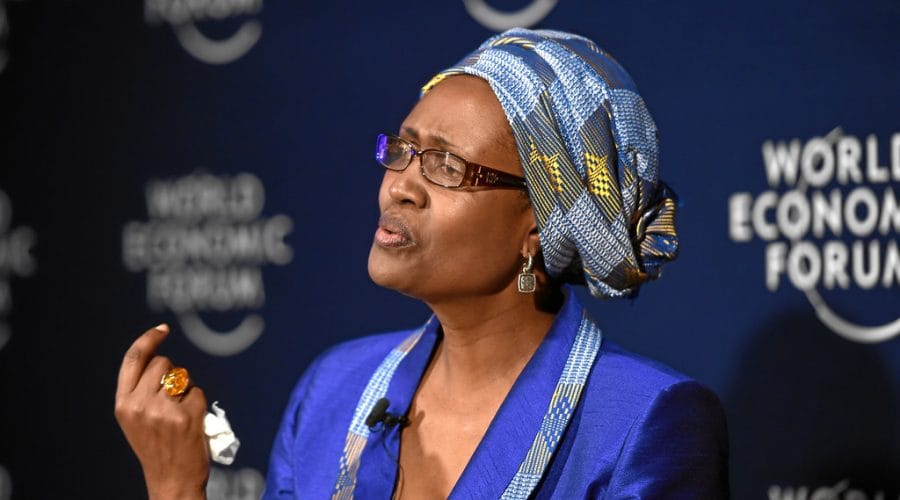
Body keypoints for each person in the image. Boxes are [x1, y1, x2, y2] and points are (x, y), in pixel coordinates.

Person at [115, 28, 729, 499]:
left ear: (540, 223)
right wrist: (177, 487)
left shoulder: (644, 419)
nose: (400, 186)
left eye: (446, 166)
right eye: (403, 151)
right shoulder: (332, 390)